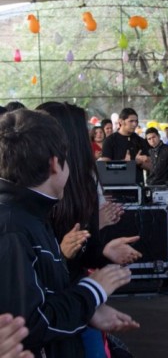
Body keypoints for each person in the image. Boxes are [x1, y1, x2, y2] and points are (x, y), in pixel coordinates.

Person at [0, 109, 136, 358]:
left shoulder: (30, 215)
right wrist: (92, 291)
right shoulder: (13, 228)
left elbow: (48, 292)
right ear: (55, 163)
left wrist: (89, 311)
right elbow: (30, 324)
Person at [100, 108, 150, 184]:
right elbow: (105, 167)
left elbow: (151, 167)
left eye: (136, 121)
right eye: (131, 121)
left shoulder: (140, 141)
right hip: (115, 187)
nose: (135, 124)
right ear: (121, 121)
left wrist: (141, 163)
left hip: (137, 187)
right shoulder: (110, 141)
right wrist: (124, 164)